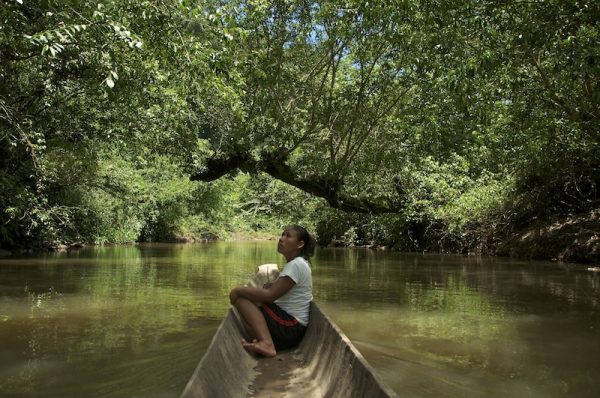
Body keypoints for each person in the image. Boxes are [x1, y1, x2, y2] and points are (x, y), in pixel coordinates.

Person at [229, 225, 315, 357]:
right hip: (290, 329)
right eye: (282, 234)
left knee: (242, 298)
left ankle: (267, 344)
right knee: (249, 298)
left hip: (290, 327)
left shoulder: (296, 265)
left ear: (300, 244)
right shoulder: (299, 263)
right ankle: (263, 340)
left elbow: (270, 296)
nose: (281, 239)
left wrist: (238, 290)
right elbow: (278, 290)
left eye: (288, 236)